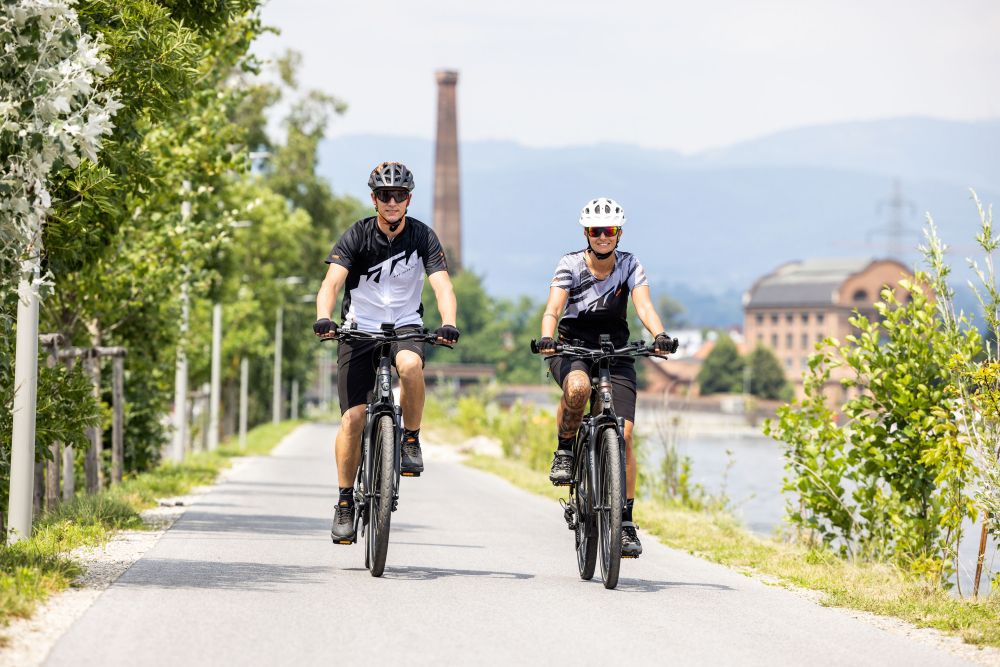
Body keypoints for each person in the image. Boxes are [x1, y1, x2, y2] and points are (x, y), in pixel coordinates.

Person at [314, 161, 460, 543]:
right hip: (358, 329)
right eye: (384, 195)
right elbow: (331, 283)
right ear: (374, 199)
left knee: (410, 366)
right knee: (353, 420)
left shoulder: (423, 237)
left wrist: (448, 321)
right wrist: (323, 316)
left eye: (398, 195)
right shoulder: (357, 236)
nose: (391, 202)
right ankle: (345, 502)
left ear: (408, 199)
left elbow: (442, 286)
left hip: (405, 326)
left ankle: (410, 438)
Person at [537, 197, 676, 558]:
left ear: (619, 233)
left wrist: (659, 334)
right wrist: (548, 336)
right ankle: (566, 450)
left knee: (625, 434)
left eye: (609, 231)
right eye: (597, 231)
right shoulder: (570, 264)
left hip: (615, 353)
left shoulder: (629, 265)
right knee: (578, 388)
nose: (603, 237)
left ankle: (625, 521)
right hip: (572, 349)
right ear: (587, 232)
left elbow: (644, 306)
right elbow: (553, 307)